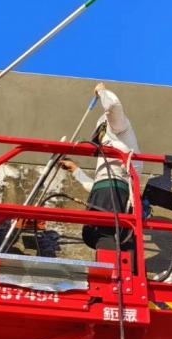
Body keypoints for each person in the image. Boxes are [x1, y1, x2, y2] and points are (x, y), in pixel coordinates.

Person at [60, 81, 141, 252]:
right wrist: (76, 171)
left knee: (101, 232)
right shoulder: (109, 158)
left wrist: (103, 91)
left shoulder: (120, 129)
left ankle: (112, 271)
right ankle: (118, 269)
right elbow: (99, 186)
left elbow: (113, 106)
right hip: (112, 192)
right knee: (107, 235)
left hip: (115, 192)